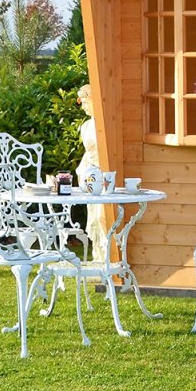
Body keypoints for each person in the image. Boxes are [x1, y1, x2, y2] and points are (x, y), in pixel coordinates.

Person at [76, 84, 108, 264]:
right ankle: (97, 257)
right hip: (90, 175)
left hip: (103, 175)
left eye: (86, 102)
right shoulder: (86, 126)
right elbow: (87, 154)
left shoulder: (105, 126)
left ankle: (107, 258)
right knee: (93, 218)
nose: (83, 106)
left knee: (102, 217)